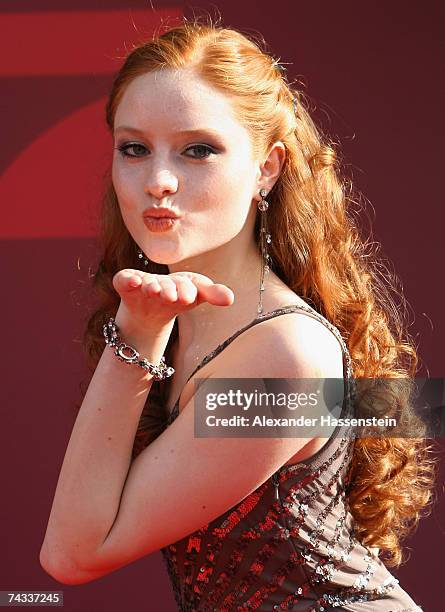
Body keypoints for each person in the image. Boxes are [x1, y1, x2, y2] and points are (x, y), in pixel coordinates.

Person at [39, 17, 436, 611]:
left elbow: (74, 553)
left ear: (267, 169)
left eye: (199, 149)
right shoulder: (182, 320)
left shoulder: (284, 356)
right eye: (134, 149)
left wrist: (138, 334)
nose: (158, 181)